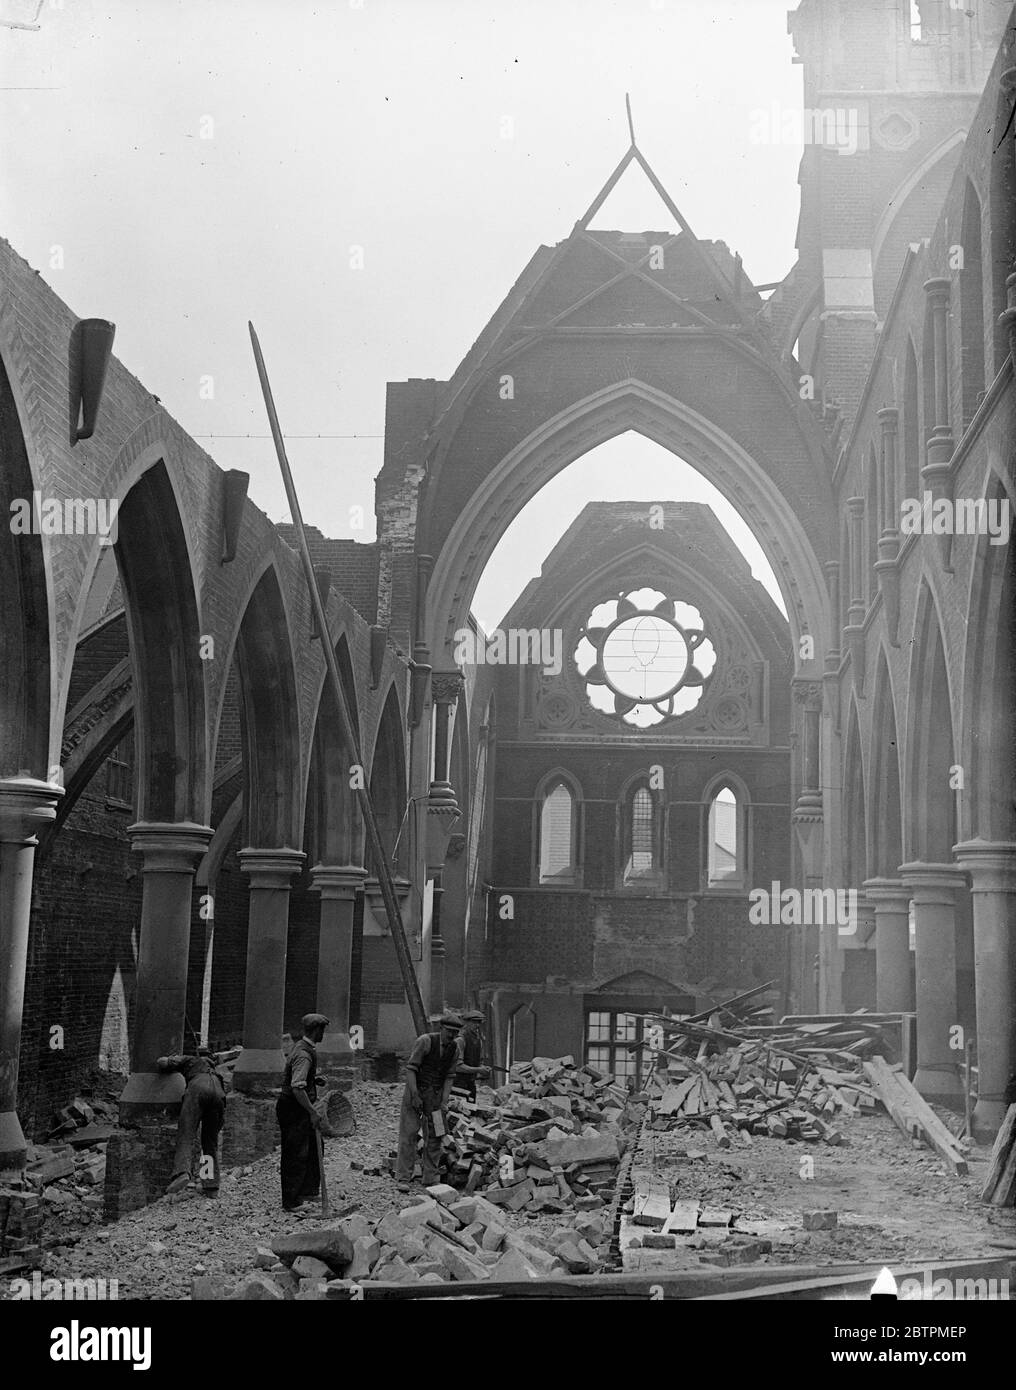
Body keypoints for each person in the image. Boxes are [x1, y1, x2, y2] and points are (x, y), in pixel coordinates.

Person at [396, 1012, 464, 1192]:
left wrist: (444, 1102)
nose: (451, 1036)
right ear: (441, 1028)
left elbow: (449, 1077)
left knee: (436, 1136)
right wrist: (415, 1095)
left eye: (455, 1033)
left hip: (435, 1096)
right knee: (409, 1134)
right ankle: (403, 1176)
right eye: (449, 1031)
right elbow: (411, 1070)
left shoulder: (455, 1049)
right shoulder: (425, 1041)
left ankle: (430, 1177)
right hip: (415, 1092)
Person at [276, 1013, 328, 1213]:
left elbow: (301, 1079)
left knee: (315, 1146)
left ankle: (307, 1189)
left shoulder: (303, 1048)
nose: (324, 1033)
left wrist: (314, 1080)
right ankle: (291, 1201)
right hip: (293, 1109)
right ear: (316, 1030)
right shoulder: (304, 1054)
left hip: (298, 1106)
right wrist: (312, 1112)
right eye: (322, 1030)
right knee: (295, 1153)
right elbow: (297, 1087)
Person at [156, 1049, 226, 1196]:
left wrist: (170, 1059)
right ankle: (211, 1186)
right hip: (219, 1094)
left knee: (186, 1134)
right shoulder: (216, 1072)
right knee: (209, 1144)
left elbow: (161, 1062)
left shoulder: (190, 1059)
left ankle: (182, 1173)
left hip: (197, 1089)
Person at [452, 1009, 490, 1103]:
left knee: (472, 1109)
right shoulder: (460, 1040)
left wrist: (483, 1068)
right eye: (474, 1022)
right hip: (457, 1084)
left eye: (479, 1022)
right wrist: (478, 1070)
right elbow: (458, 1067)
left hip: (470, 1083)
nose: (477, 1025)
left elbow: (479, 1061)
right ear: (466, 1022)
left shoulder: (478, 1041)